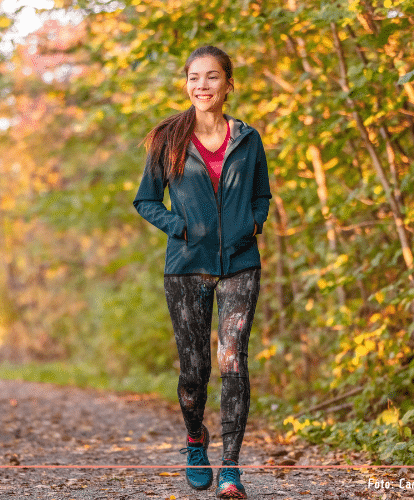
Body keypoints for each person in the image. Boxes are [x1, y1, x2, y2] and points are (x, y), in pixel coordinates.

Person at [133, 45, 271, 499]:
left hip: (240, 264)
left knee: (233, 362)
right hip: (187, 268)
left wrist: (253, 223)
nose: (203, 86)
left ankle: (231, 468)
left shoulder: (248, 139)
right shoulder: (168, 139)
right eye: (195, 77)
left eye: (212, 77)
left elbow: (261, 195)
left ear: (229, 84)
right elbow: (146, 200)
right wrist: (181, 228)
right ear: (186, 84)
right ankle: (196, 440)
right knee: (195, 369)